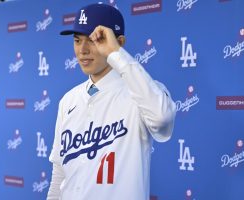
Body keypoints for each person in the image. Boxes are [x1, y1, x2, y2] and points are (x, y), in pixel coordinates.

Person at [47, 3, 176, 200]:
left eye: (93, 40)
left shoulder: (141, 92)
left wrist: (116, 55)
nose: (82, 50)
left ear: (118, 42)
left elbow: (162, 123)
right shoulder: (68, 100)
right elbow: (59, 173)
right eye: (77, 40)